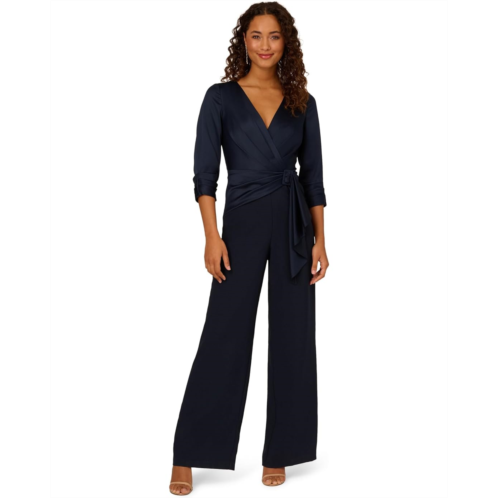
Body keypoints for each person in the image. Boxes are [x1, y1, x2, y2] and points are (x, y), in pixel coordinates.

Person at [170, 2, 329, 495]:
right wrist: (211, 236)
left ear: (286, 44)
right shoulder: (220, 98)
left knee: (294, 337)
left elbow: (314, 178)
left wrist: (321, 240)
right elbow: (204, 176)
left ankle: (281, 451)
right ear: (244, 41)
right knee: (224, 334)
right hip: (239, 226)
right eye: (256, 35)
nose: (265, 45)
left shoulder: (303, 102)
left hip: (294, 227)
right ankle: (189, 453)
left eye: (274, 36)